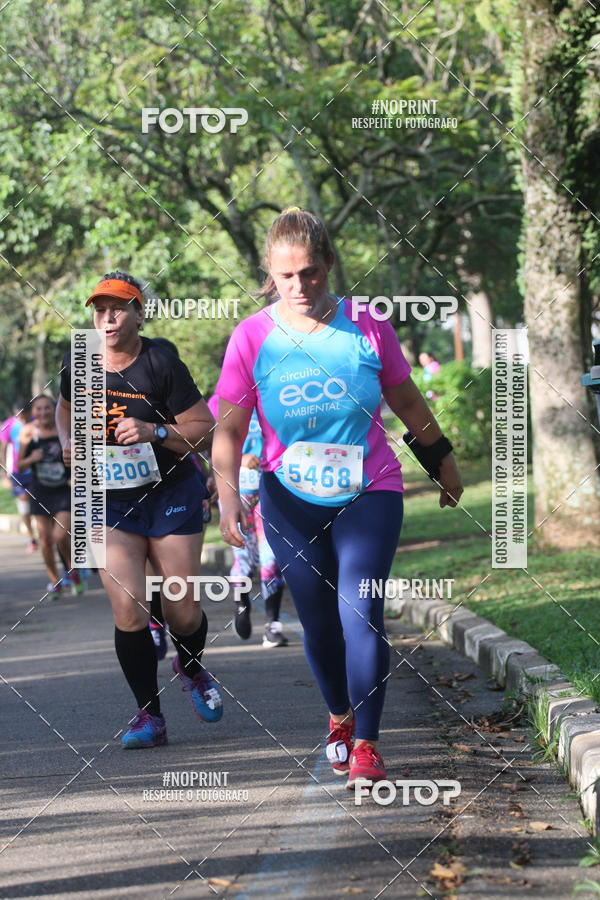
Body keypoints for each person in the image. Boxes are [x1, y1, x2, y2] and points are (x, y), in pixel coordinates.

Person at [212, 207, 463, 789]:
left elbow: (407, 402)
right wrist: (229, 499)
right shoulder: (252, 337)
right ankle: (339, 717)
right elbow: (227, 429)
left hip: (369, 490)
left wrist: (441, 459)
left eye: (311, 272)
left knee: (360, 611)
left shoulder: (368, 325)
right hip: (289, 501)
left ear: (329, 264)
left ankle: (369, 745)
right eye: (286, 276)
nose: (300, 286)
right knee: (319, 624)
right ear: (269, 275)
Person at [56, 271, 222, 749]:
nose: (107, 318)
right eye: (100, 309)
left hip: (171, 493)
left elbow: (204, 428)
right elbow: (66, 407)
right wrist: (69, 442)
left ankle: (190, 667)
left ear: (137, 311)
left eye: (119, 308)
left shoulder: (161, 362)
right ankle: (149, 715)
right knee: (128, 609)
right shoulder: (80, 359)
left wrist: (157, 433)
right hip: (103, 496)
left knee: (182, 611)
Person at [207, 393, 287, 648]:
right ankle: (241, 603)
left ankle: (272, 626)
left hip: (270, 490)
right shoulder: (217, 403)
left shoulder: (274, 395)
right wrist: (239, 460)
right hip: (235, 493)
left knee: (272, 557)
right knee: (243, 557)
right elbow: (208, 443)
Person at [16, 395, 83, 595]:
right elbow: (19, 465)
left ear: (54, 410)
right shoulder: (28, 432)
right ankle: (55, 582)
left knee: (60, 535)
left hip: (63, 489)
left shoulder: (65, 429)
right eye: (39, 409)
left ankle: (72, 570)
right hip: (40, 490)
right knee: (45, 540)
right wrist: (31, 458)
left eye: (47, 408)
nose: (43, 412)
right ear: (33, 412)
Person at [1, 406, 38, 551]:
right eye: (18, 414)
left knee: (37, 503)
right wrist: (5, 473)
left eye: (24, 414)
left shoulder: (36, 421)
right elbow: (3, 448)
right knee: (23, 500)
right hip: (17, 472)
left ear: (29, 412)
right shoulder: (8, 425)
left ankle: (42, 531)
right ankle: (31, 537)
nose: (21, 417)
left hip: (36, 470)